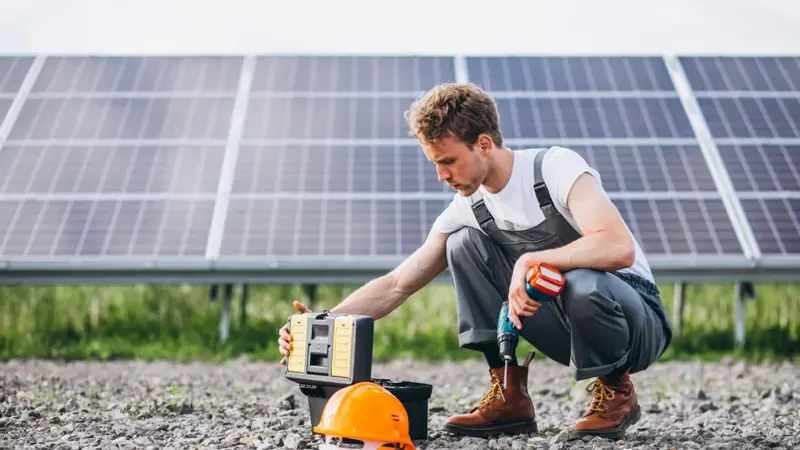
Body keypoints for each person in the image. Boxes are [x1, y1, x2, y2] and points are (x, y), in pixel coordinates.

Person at [279, 82, 673, 441]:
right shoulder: (469, 206)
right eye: (435, 162)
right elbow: (399, 283)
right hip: (560, 324)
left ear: (484, 144)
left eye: (448, 161)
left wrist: (531, 259)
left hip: (634, 323)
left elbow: (618, 248)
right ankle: (510, 396)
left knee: (585, 280)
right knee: (463, 244)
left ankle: (616, 391)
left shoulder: (554, 168)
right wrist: (322, 322)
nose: (440, 175)